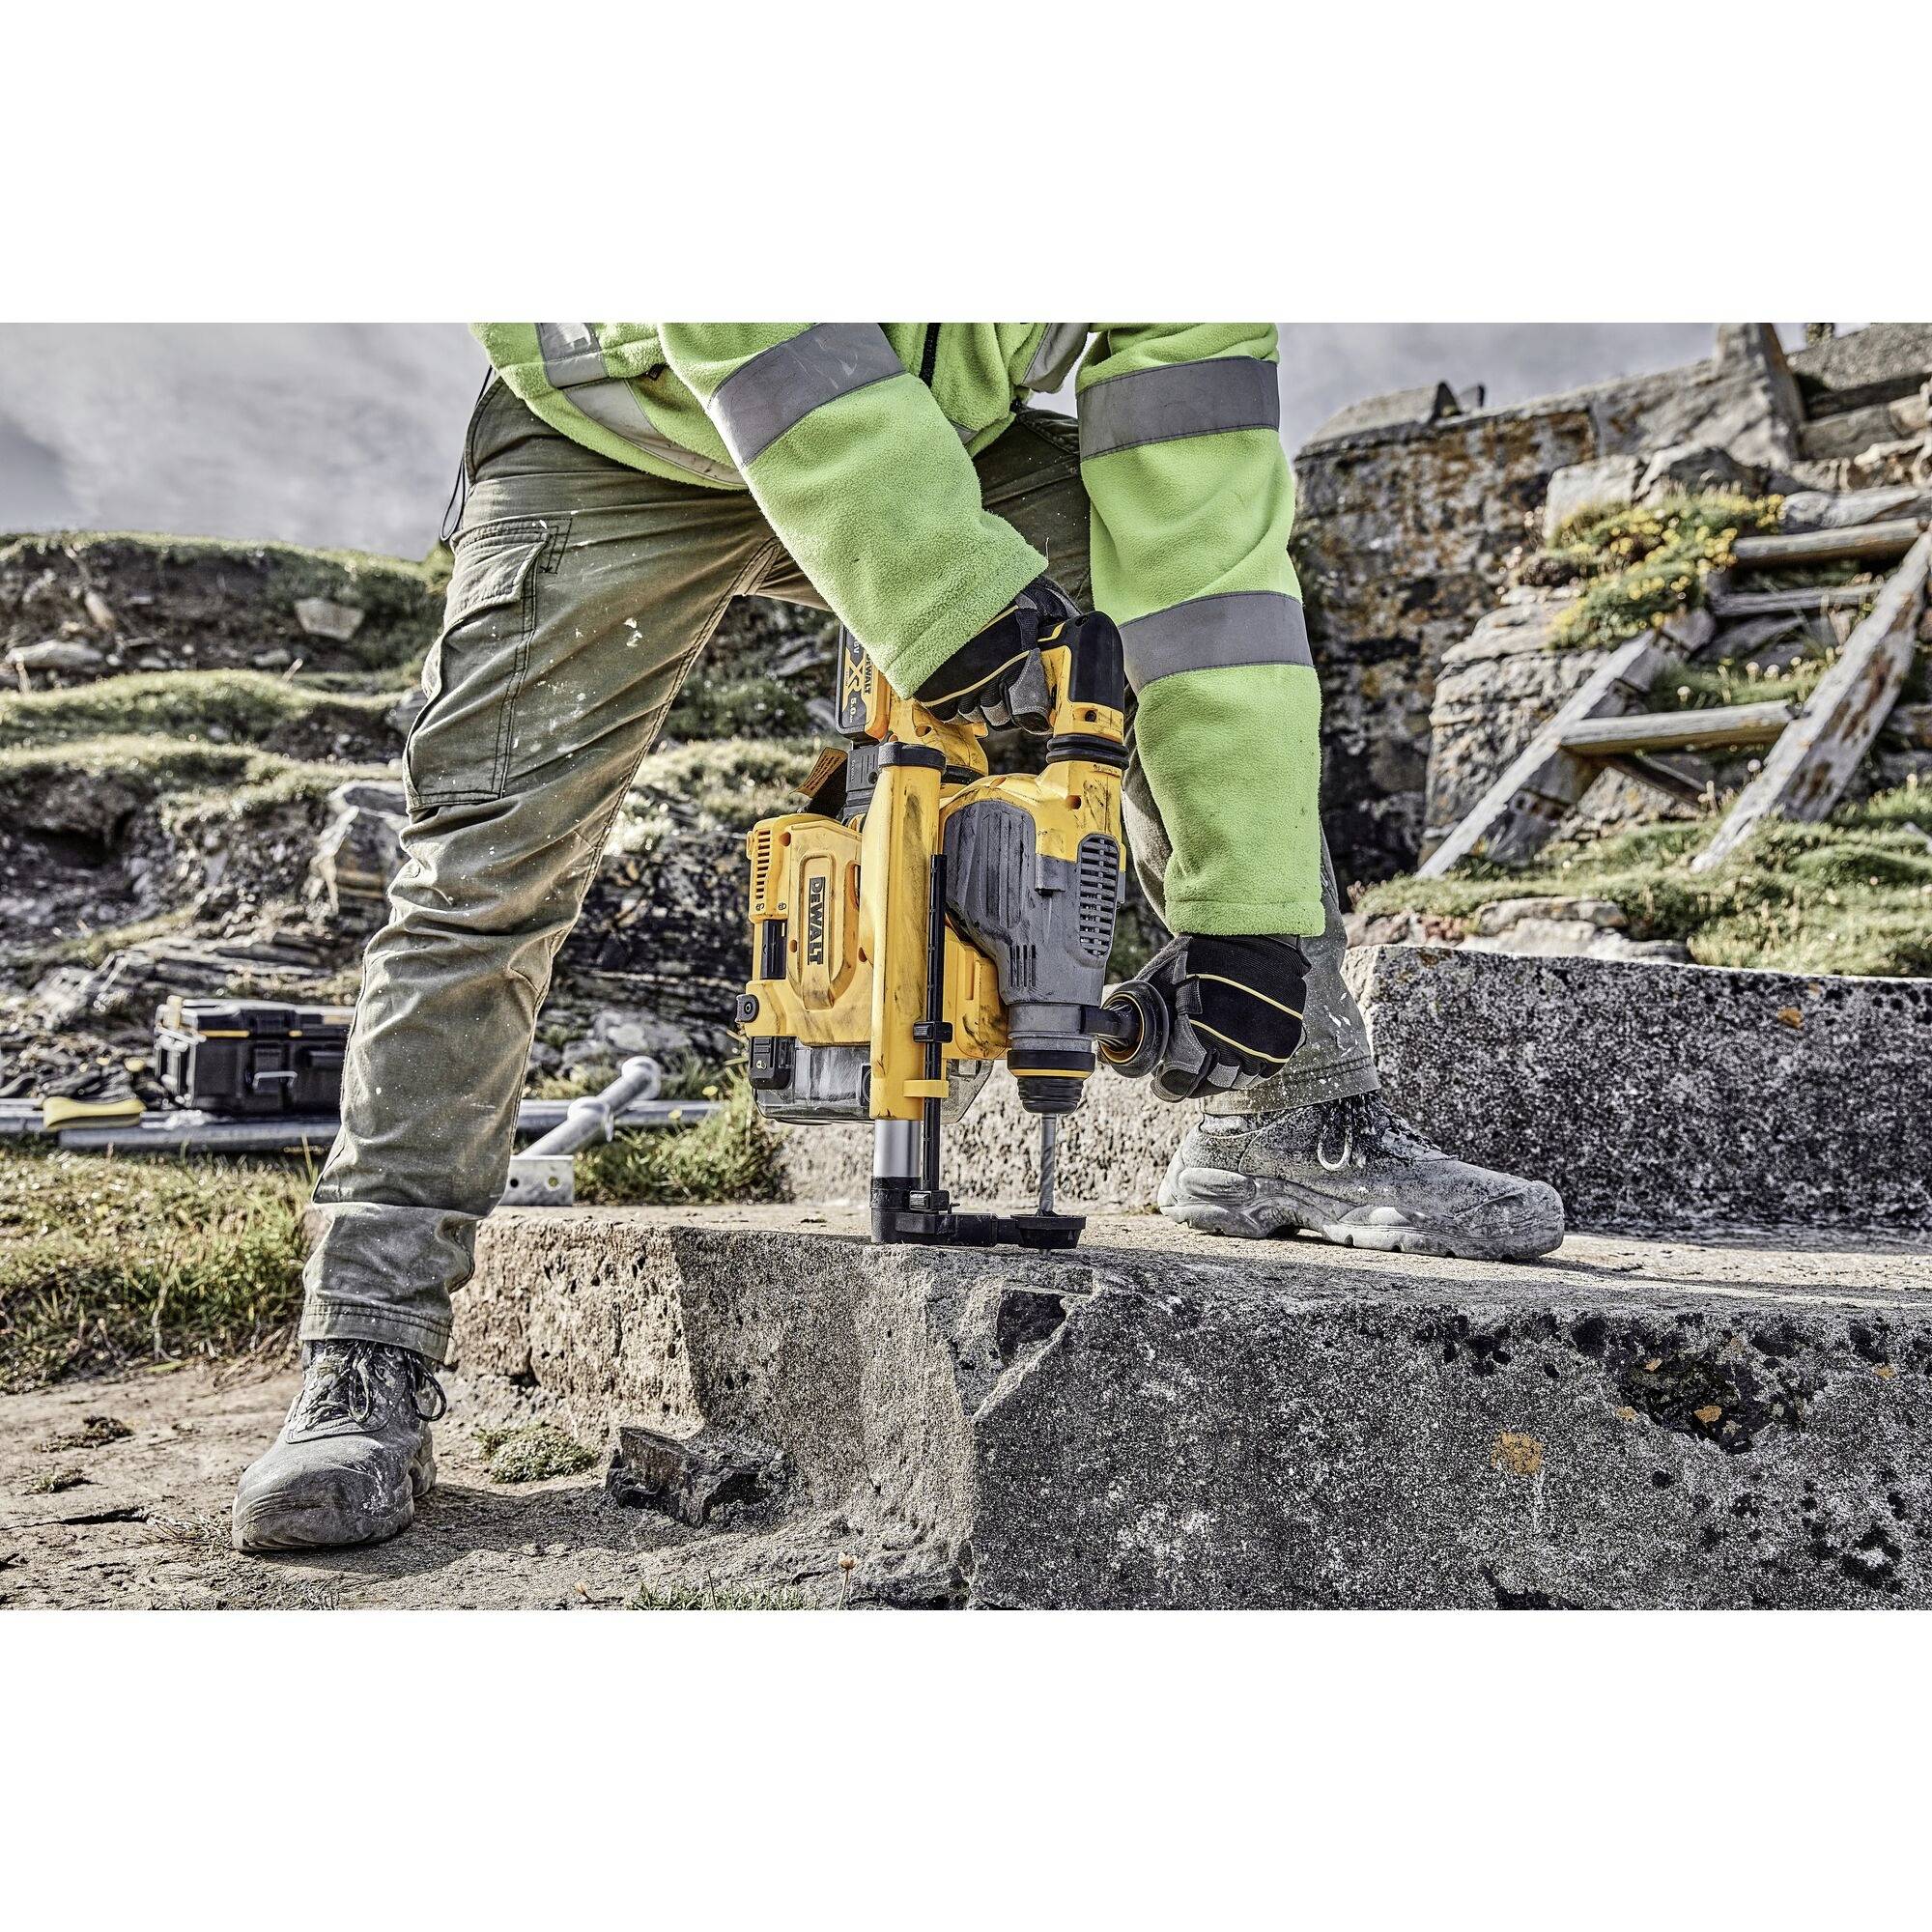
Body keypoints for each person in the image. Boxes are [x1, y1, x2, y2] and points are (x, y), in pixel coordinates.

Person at [232, 325, 1564, 1554]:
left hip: (936, 429)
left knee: (1181, 638)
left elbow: (1205, 567)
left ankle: (1295, 1115)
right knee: (486, 868)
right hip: (622, 431)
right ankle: (368, 1353)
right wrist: (943, 594)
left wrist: (1249, 919)